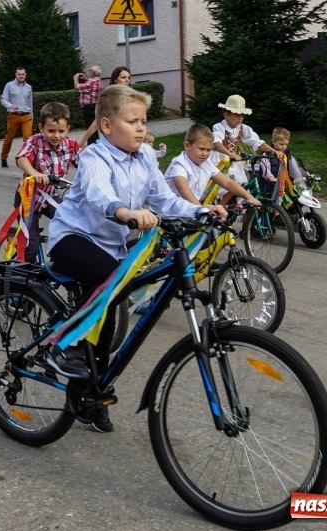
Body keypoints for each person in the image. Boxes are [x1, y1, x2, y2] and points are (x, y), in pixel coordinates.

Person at [45, 85, 228, 432]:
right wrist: (125, 212)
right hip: (72, 238)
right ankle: (63, 346)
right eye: (132, 122)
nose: (141, 128)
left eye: (143, 121)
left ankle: (90, 390)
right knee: (112, 281)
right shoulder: (94, 157)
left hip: (110, 246)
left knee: (110, 314)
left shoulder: (145, 156)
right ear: (106, 126)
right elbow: (98, 193)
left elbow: (164, 199)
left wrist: (203, 211)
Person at [14, 102, 82, 262]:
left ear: (68, 129)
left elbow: (86, 165)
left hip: (51, 197)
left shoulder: (71, 145)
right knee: (30, 247)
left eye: (61, 131)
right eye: (51, 131)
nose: (56, 135)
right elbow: (21, 158)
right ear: (41, 128)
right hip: (28, 198)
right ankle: (18, 273)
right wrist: (35, 173)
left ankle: (58, 259)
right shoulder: (34, 142)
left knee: (73, 225)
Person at [164, 124, 261, 207]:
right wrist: (200, 209)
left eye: (208, 150)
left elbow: (227, 182)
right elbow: (183, 188)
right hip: (168, 214)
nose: (205, 154)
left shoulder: (206, 164)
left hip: (187, 210)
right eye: (201, 149)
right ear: (187, 145)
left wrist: (249, 197)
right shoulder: (179, 164)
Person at [211, 94, 283, 205]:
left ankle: (224, 206)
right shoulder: (219, 127)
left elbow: (257, 142)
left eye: (242, 115)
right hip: (219, 160)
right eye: (237, 114)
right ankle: (219, 207)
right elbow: (216, 144)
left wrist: (273, 151)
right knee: (219, 186)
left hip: (232, 160)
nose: (240, 118)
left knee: (239, 184)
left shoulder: (243, 128)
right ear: (227, 114)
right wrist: (231, 154)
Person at [80, 66, 131, 147]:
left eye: (128, 77)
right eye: (123, 77)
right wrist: (81, 143)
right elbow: (96, 123)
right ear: (115, 79)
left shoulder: (132, 97)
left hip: (129, 138)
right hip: (114, 141)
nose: (127, 80)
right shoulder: (110, 97)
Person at [257, 127, 308, 199]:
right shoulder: (266, 155)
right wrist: (271, 178)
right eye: (281, 144)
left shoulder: (287, 154)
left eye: (286, 144)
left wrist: (304, 174)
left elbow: (294, 166)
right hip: (269, 185)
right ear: (273, 141)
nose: (284, 147)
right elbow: (266, 169)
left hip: (283, 185)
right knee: (272, 202)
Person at [0, 67, 33, 167]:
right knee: (9, 138)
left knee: (28, 139)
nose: (21, 76)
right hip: (14, 116)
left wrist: (31, 115)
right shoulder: (9, 85)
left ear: (25, 75)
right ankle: (4, 157)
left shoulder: (28, 87)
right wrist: (10, 105)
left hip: (26, 116)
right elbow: (3, 99)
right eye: (19, 74)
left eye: (23, 74)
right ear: (16, 74)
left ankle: (27, 159)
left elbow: (30, 102)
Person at [73, 65, 103, 143]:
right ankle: (96, 143)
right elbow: (90, 86)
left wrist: (75, 79)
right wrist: (86, 79)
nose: (89, 72)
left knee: (90, 127)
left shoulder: (92, 81)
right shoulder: (99, 80)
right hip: (94, 106)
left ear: (93, 73)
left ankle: (92, 144)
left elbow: (78, 87)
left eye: (90, 70)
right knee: (94, 127)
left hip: (89, 107)